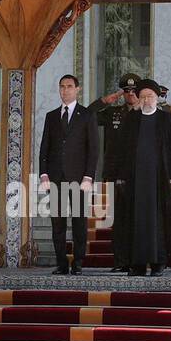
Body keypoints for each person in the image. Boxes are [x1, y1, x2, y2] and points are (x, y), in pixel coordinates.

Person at [118, 80, 171, 276]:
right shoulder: (131, 120)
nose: (146, 100)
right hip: (135, 181)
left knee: (159, 222)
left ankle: (159, 263)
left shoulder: (166, 119)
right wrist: (121, 177)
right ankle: (138, 264)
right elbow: (121, 152)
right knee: (135, 221)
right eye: (143, 97)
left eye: (150, 96)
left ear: (157, 98)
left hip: (160, 180)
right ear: (138, 99)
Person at [38, 74, 98, 275]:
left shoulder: (87, 115)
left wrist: (89, 176)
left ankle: (78, 262)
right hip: (56, 177)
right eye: (62, 86)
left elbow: (93, 148)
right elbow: (44, 147)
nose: (65, 90)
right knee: (58, 223)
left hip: (79, 178)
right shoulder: (51, 116)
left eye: (70, 86)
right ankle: (62, 263)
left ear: (77, 89)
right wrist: (44, 173)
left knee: (79, 221)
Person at [88, 73, 140, 271]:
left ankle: (137, 261)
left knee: (136, 219)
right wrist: (103, 101)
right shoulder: (114, 113)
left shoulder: (147, 112)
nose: (130, 95)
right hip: (114, 173)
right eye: (126, 92)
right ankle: (120, 261)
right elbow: (86, 115)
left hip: (137, 175)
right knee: (117, 221)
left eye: (134, 91)